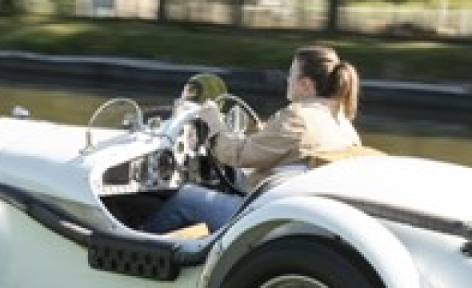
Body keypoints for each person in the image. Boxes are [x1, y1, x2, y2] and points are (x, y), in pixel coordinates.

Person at [142, 45, 362, 235]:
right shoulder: (344, 124)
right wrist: (266, 133)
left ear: (305, 85)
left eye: (291, 74)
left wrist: (214, 121)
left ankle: (142, 245)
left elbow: (236, 154)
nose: (287, 80)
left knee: (186, 198)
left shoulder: (298, 116)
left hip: (265, 219)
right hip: (301, 218)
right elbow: (292, 153)